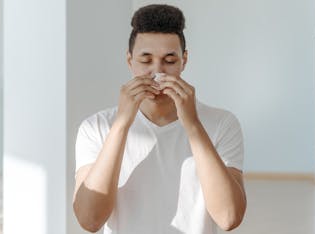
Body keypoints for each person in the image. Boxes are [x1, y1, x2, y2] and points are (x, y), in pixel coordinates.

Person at [73, 4, 246, 234]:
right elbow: (89, 220)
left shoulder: (222, 124)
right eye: (146, 61)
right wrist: (122, 124)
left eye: (170, 60)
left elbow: (228, 218)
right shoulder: (95, 127)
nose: (157, 72)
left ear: (184, 60)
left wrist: (193, 125)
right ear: (129, 60)